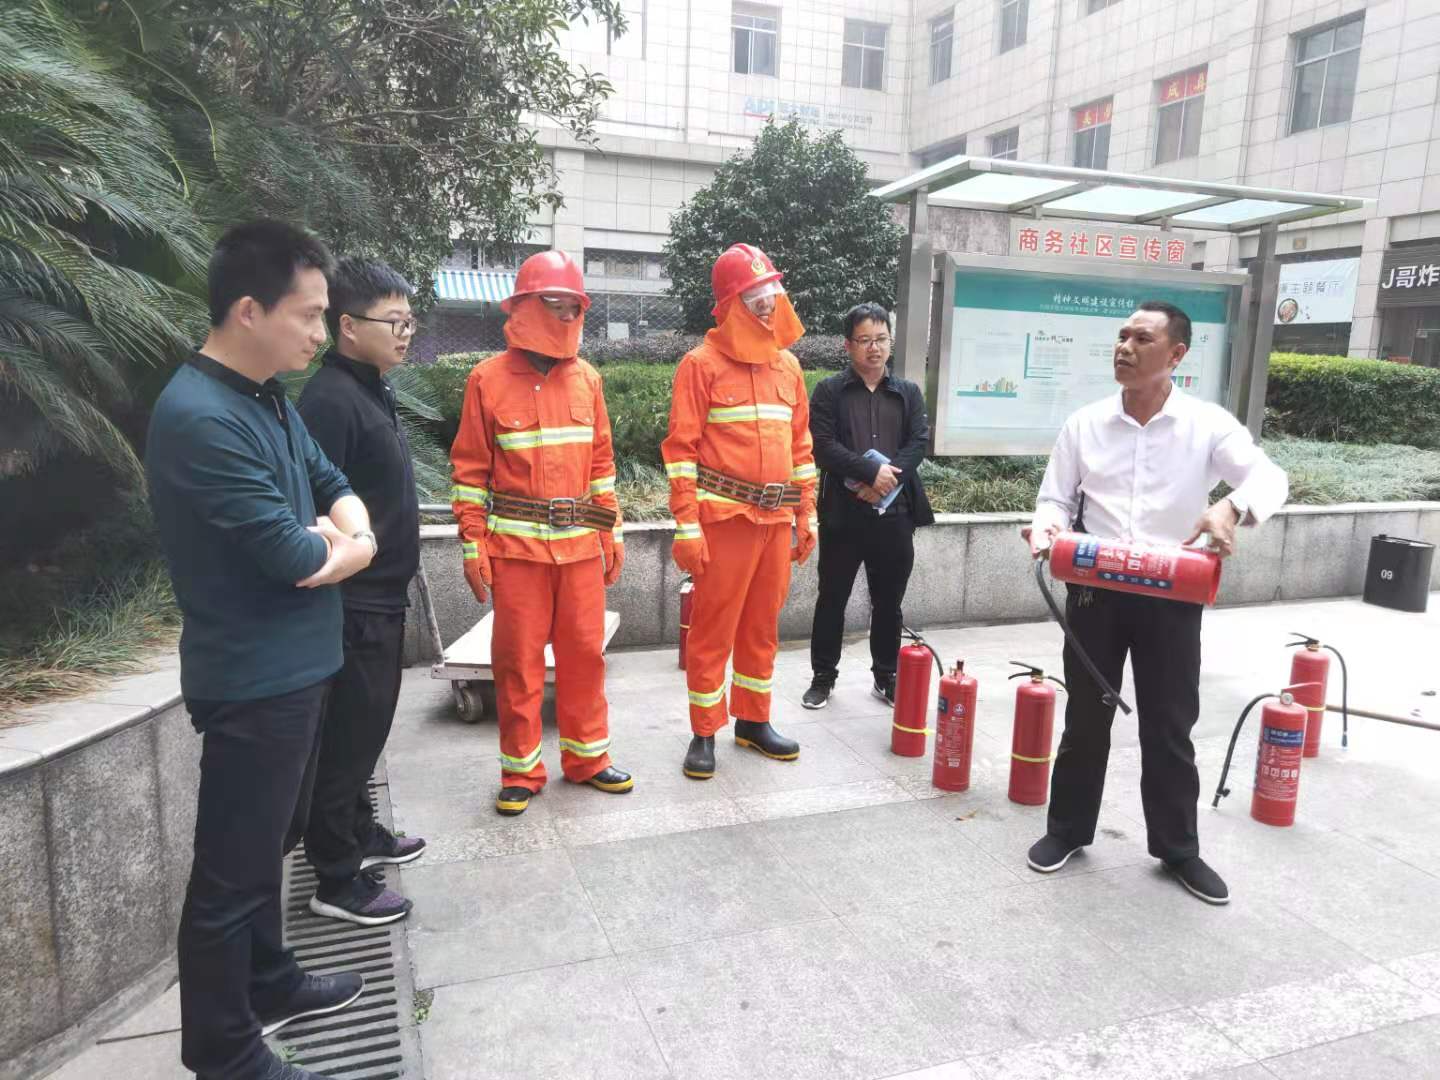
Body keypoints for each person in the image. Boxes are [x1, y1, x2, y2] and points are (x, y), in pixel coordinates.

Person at [146, 220, 376, 1080]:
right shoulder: (199, 417)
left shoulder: (265, 396)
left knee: (268, 848)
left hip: (298, 667)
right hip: (253, 682)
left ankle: (270, 979)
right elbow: (290, 555)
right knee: (230, 875)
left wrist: (346, 541)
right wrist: (344, 550)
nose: (320, 333)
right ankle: (224, 1049)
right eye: (309, 315)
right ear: (249, 310)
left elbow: (331, 486)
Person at [1023, 300, 1289, 905]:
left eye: (1142, 339)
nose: (1125, 347)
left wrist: (1230, 507)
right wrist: (1045, 529)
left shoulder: (1206, 425)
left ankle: (1178, 849)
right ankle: (1067, 830)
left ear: (1176, 355)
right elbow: (1054, 499)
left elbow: (1270, 478)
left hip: (1171, 594)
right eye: (1122, 336)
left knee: (1170, 723)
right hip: (1095, 590)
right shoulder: (1085, 424)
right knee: (1086, 715)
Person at [450, 250, 632, 816]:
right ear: (525, 306)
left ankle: (588, 759)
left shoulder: (588, 381)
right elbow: (470, 471)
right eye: (555, 305)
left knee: (584, 656)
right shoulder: (487, 380)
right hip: (517, 552)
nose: (566, 317)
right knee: (517, 662)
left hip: (578, 550)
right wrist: (473, 544)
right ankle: (521, 771)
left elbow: (601, 467)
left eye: (573, 307)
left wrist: (611, 532)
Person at [296, 258, 427, 927]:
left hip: (381, 595)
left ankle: (359, 830)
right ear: (348, 326)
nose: (406, 333)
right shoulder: (328, 401)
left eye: (409, 320)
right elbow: (314, 505)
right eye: (393, 322)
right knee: (347, 739)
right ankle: (337, 877)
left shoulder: (371, 387)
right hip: (355, 602)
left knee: (366, 731)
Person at [662, 243, 818, 779]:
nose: (769, 307)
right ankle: (704, 731)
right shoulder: (700, 366)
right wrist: (687, 526)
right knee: (713, 629)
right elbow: (680, 452)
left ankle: (753, 721)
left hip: (776, 522)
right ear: (731, 306)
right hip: (724, 522)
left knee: (761, 627)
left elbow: (801, 449)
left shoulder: (788, 367)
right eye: (756, 299)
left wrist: (806, 514)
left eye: (772, 295)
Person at [803, 302, 934, 710]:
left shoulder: (908, 392)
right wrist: (869, 472)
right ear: (848, 345)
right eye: (864, 340)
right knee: (832, 598)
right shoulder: (829, 391)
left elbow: (918, 443)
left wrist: (886, 481)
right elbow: (822, 445)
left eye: (881, 339)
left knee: (889, 601)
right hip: (843, 516)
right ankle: (823, 677)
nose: (874, 348)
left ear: (890, 342)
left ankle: (886, 675)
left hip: (895, 515)